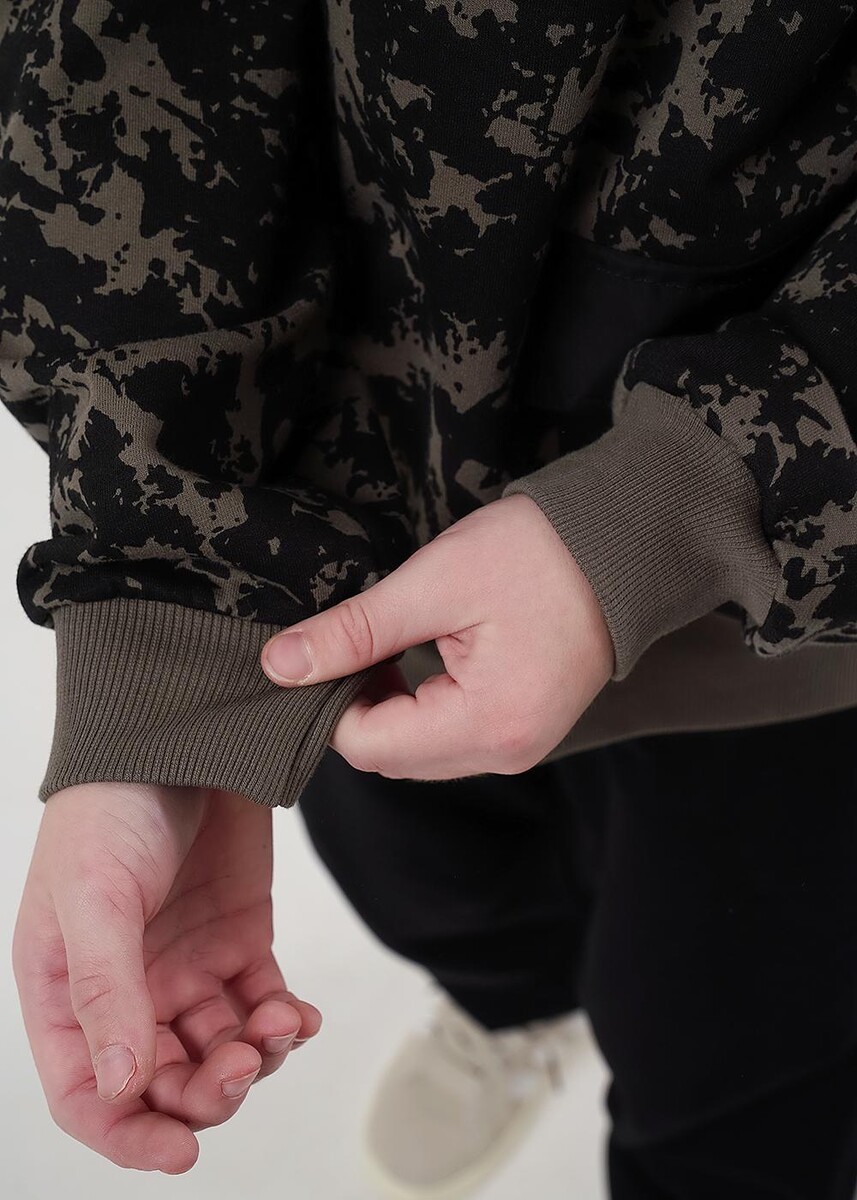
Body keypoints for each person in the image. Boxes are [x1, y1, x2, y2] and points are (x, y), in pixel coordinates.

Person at [2, 1, 856, 1196]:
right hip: (357, 538)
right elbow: (123, 49)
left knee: (727, 1078)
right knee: (440, 893)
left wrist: (681, 501)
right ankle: (514, 1007)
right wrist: (166, 628)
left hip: (786, 623)